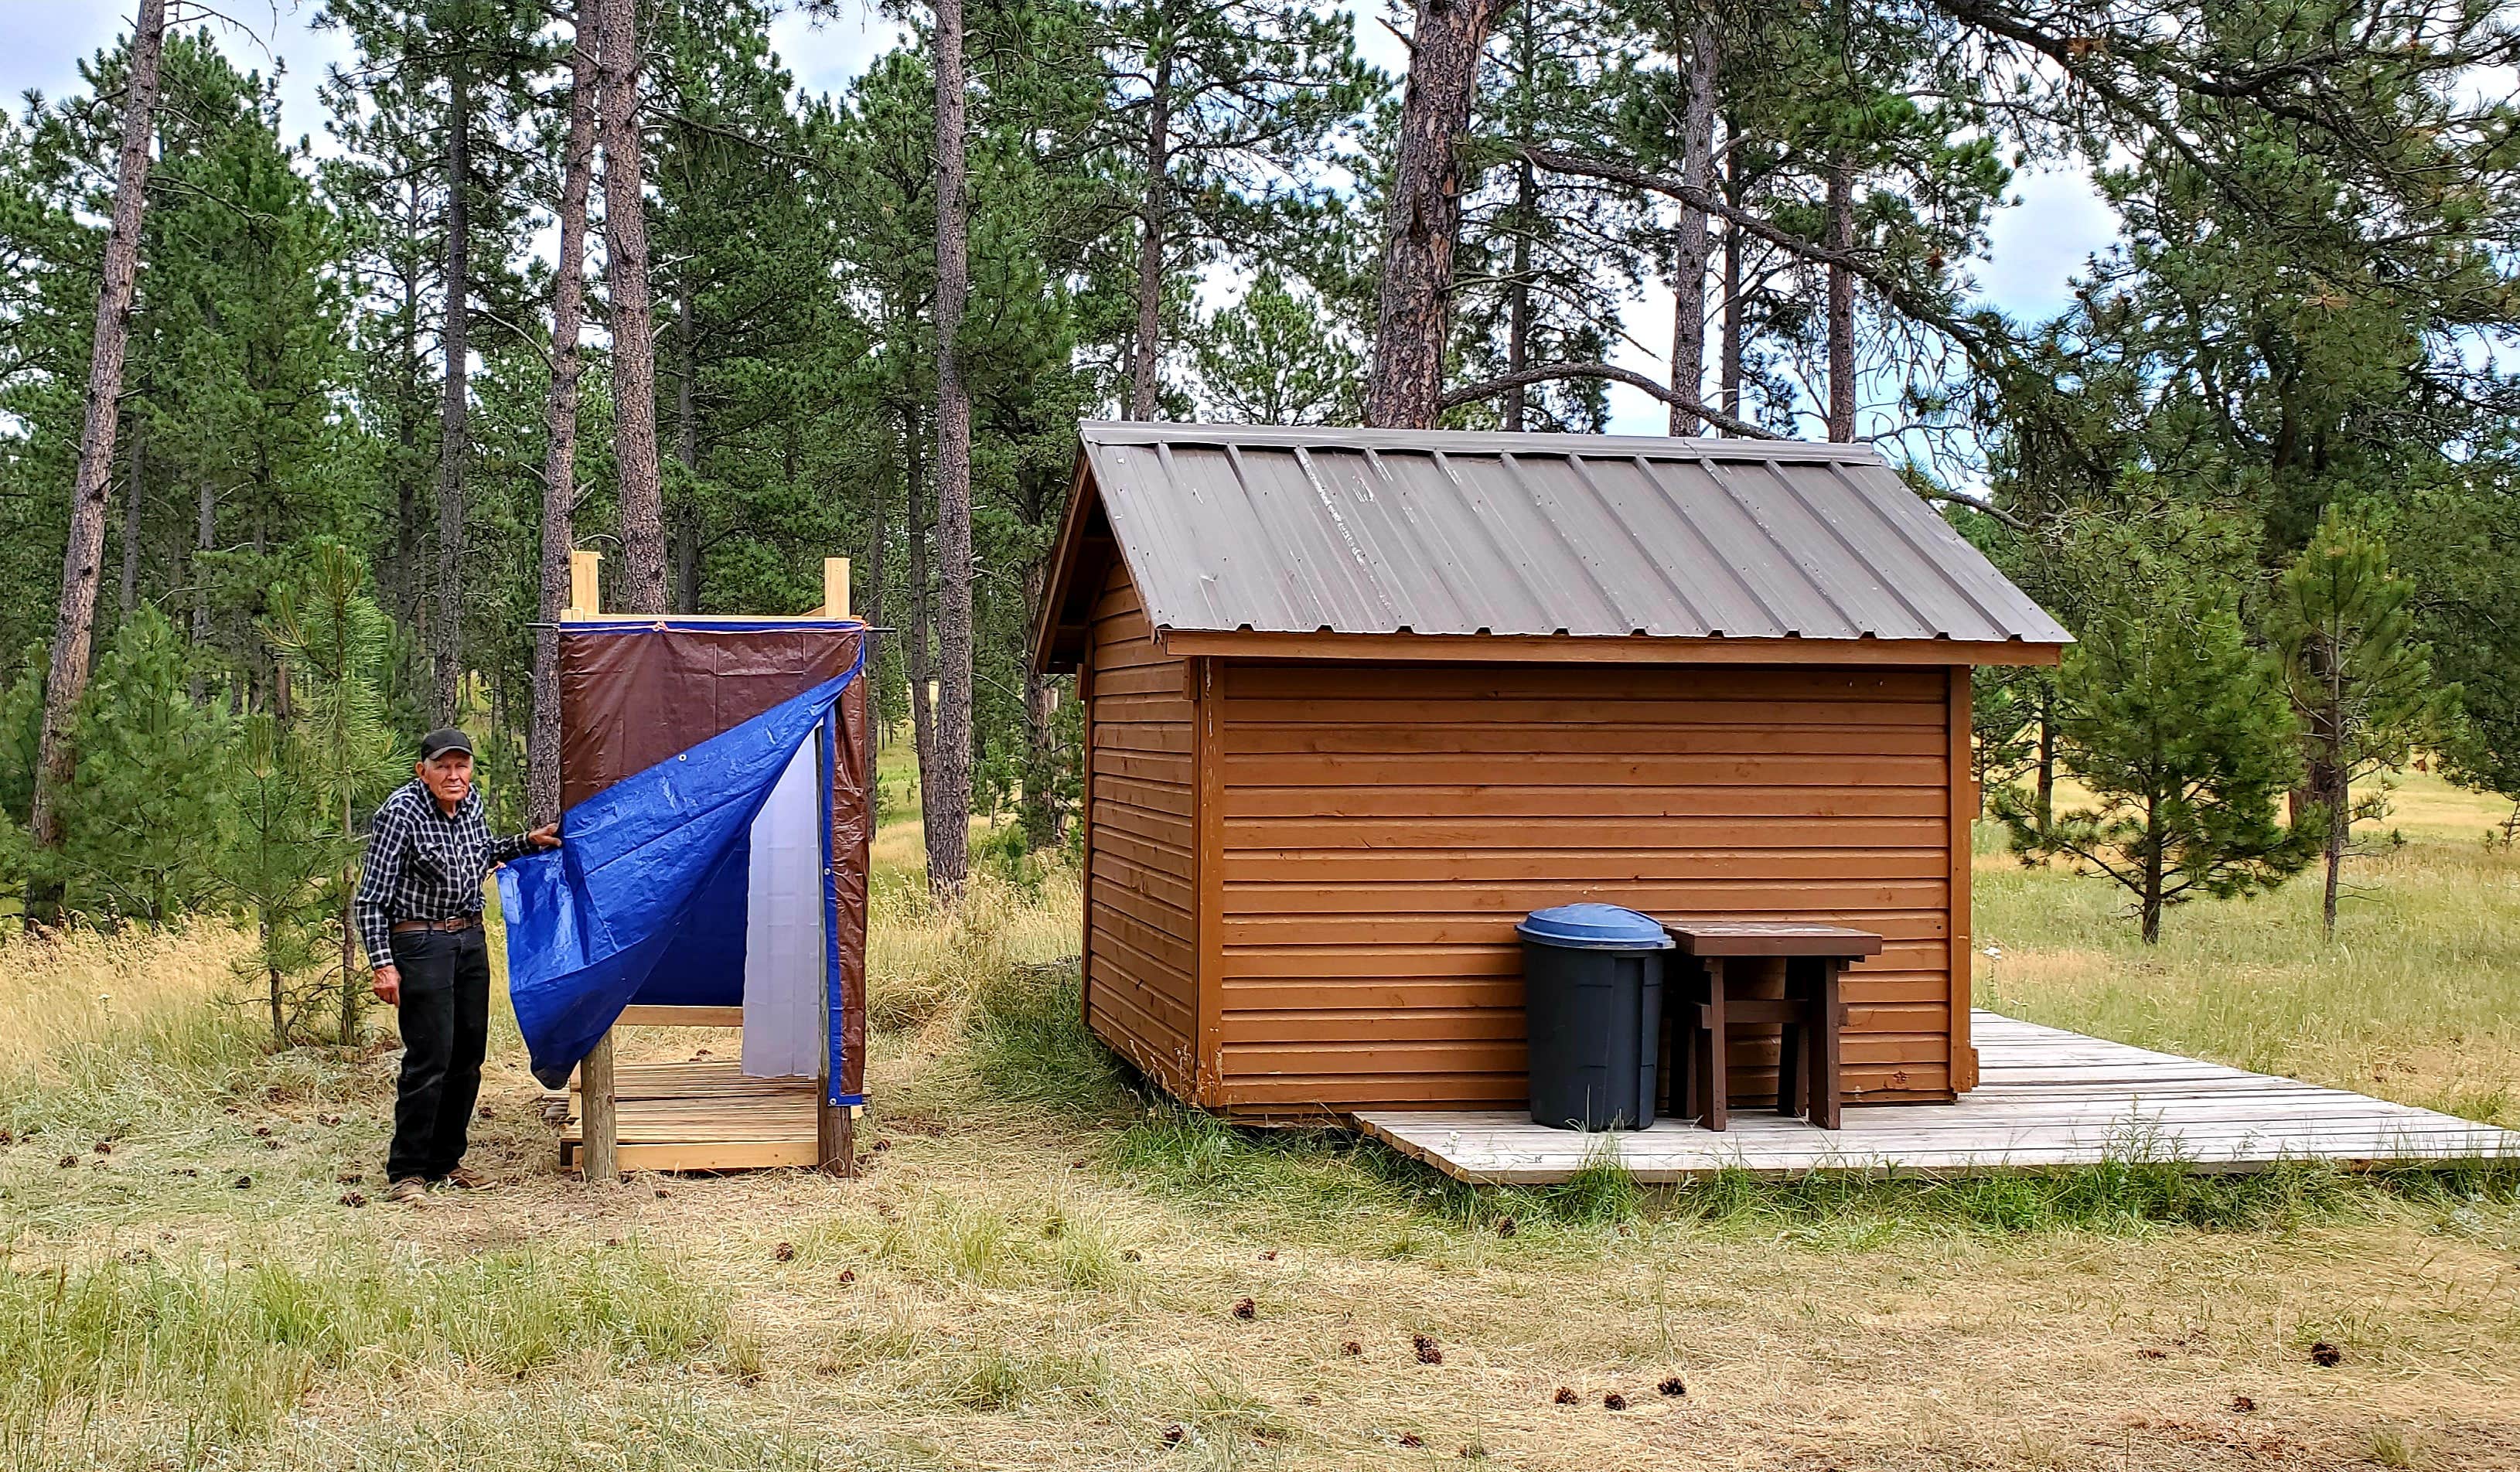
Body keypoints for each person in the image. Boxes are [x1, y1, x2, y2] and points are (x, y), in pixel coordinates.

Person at [353, 727, 561, 1205]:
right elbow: (370, 901)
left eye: (460, 765)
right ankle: (407, 1171)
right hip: (420, 942)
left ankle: (446, 1161)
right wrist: (383, 965)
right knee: (430, 1057)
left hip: (469, 938)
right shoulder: (400, 813)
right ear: (421, 770)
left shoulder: (471, 805)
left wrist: (525, 843)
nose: (453, 775)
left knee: (468, 1057)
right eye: (442, 766)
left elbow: (481, 853)